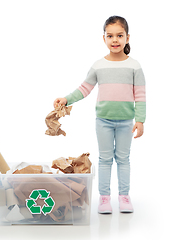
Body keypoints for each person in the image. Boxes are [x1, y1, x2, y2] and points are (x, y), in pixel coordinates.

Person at [53, 15, 146, 213]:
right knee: (104, 160)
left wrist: (140, 120)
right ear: (103, 38)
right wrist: (66, 99)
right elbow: (84, 89)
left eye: (119, 35)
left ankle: (124, 197)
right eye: (110, 36)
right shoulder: (98, 65)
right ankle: (104, 199)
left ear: (127, 38)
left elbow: (140, 94)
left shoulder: (134, 66)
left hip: (125, 122)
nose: (115, 40)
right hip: (103, 121)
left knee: (123, 159)